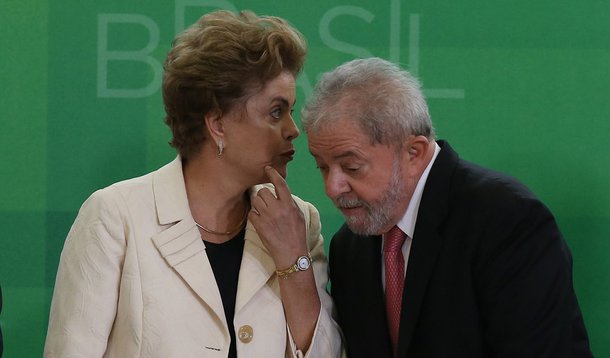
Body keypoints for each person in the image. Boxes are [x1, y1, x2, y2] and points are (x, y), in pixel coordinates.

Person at [44, 10, 342, 358]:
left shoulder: (299, 220)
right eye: (276, 112)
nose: (293, 129)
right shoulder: (115, 216)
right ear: (217, 123)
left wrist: (294, 261)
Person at [301, 57, 592, 357]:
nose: (332, 188)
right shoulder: (349, 248)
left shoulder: (507, 220)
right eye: (322, 167)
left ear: (414, 152)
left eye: (351, 167)